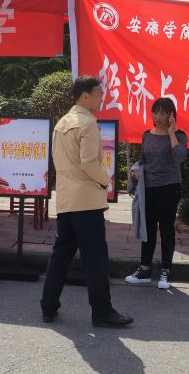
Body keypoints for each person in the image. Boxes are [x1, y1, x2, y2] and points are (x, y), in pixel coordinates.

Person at [41, 75, 133, 328]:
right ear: (85, 96)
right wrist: (106, 181)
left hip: (67, 200)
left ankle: (48, 306)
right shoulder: (88, 123)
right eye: (99, 94)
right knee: (95, 258)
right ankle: (102, 312)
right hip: (87, 201)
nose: (102, 98)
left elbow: (60, 162)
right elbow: (90, 164)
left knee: (61, 255)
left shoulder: (62, 123)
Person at [124, 97, 188, 290]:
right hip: (148, 187)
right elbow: (143, 159)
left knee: (167, 229)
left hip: (169, 187)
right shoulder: (147, 135)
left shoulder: (179, 135)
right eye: (155, 112)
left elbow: (180, 157)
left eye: (163, 113)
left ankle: (166, 271)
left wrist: (171, 133)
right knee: (148, 228)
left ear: (171, 115)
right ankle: (144, 270)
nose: (158, 116)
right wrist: (136, 172)